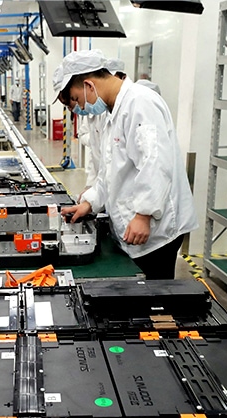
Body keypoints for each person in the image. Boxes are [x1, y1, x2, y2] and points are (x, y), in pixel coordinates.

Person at [56, 50, 197, 279]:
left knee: (153, 299)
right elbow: (110, 173)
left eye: (77, 99)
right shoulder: (114, 112)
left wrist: (144, 214)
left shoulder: (139, 103)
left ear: (89, 86)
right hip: (137, 228)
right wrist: (90, 203)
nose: (81, 107)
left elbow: (156, 163)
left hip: (156, 232)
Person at [76, 58, 125, 201]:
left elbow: (151, 166)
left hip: (135, 206)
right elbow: (98, 157)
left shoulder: (135, 103)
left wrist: (142, 216)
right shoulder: (98, 108)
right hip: (108, 192)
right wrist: (91, 189)